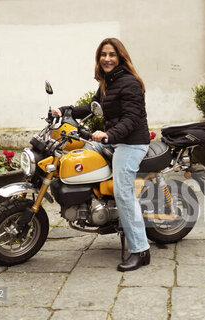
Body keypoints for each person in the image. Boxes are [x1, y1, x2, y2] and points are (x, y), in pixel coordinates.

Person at [52, 38, 151, 272]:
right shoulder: (108, 81)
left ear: (120, 57)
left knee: (123, 191)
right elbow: (92, 107)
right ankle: (97, 207)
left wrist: (108, 135)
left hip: (131, 143)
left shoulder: (131, 83)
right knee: (78, 159)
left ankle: (140, 250)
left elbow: (131, 119)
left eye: (111, 54)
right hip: (113, 140)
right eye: (103, 55)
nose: (107, 59)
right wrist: (63, 111)